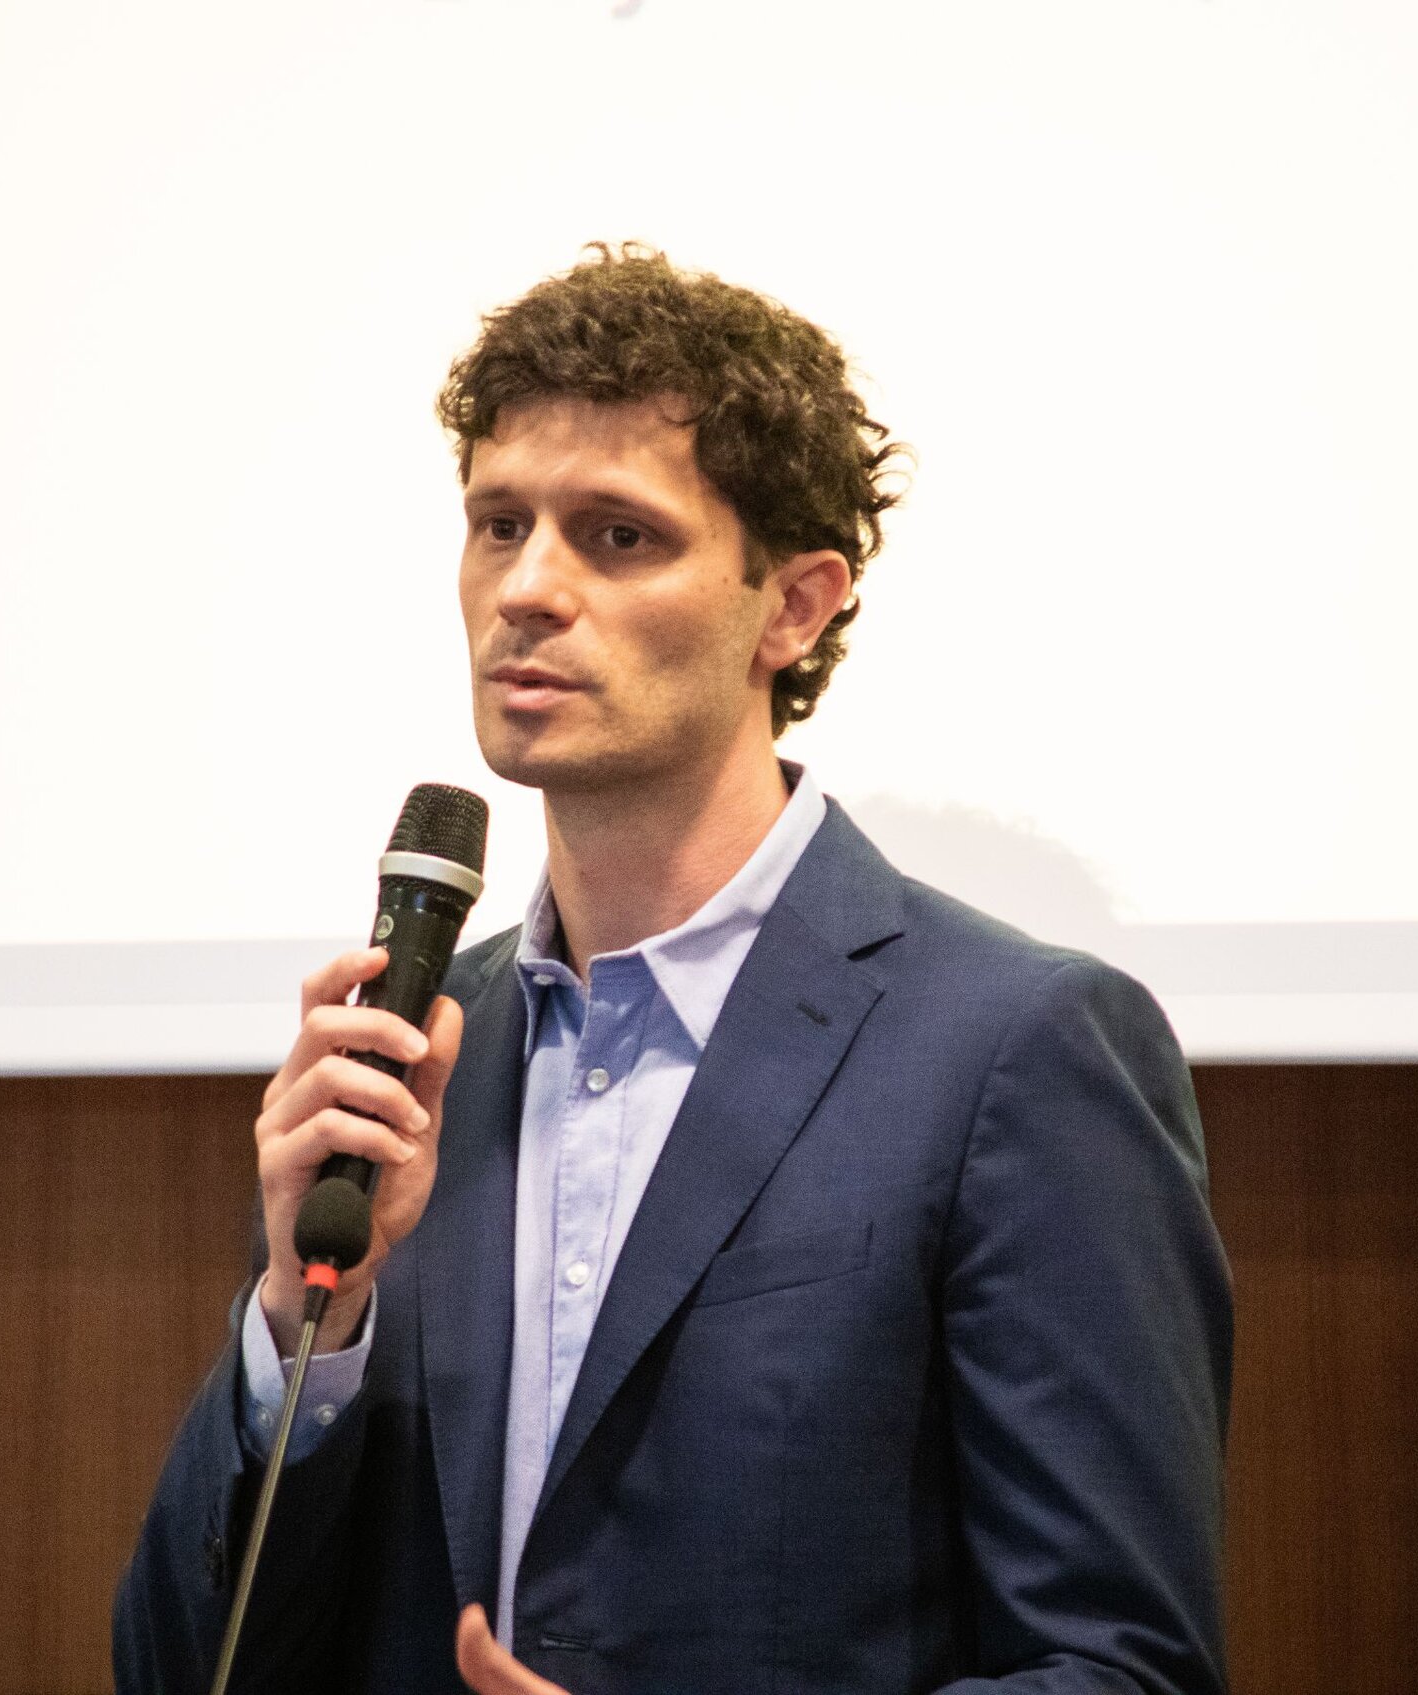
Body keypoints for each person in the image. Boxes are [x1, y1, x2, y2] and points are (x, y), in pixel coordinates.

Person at [113, 244, 1232, 1695]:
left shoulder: (1017, 1049)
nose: (528, 588)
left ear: (795, 606)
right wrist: (298, 1323)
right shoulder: (414, 1059)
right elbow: (175, 1669)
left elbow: (1121, 1671)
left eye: (618, 536)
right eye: (499, 524)